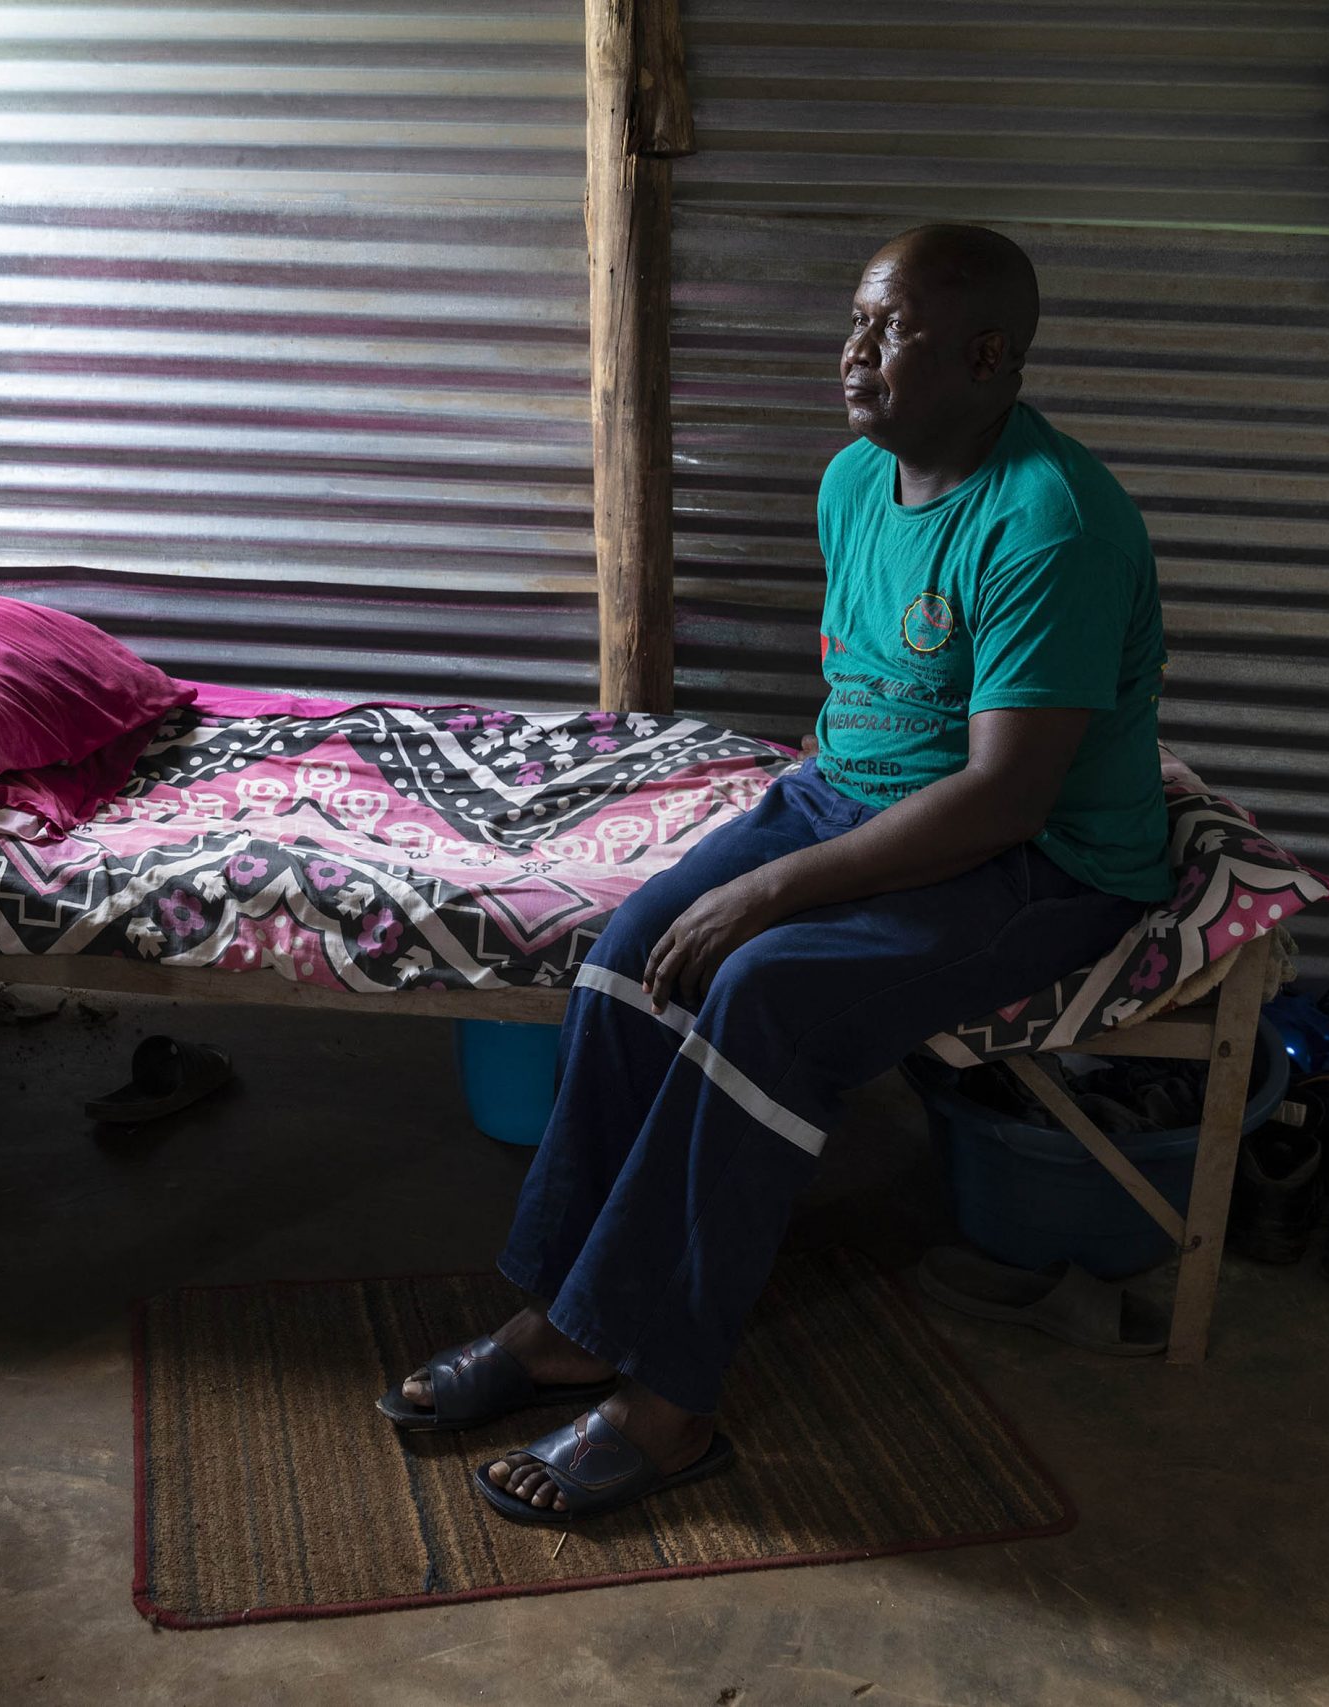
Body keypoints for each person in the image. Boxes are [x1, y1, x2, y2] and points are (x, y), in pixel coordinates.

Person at [375, 224, 1171, 1525]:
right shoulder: (857, 479)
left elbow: (1006, 794)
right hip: (843, 795)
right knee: (633, 954)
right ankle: (572, 1321)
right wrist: (776, 849)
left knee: (766, 992)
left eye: (890, 329)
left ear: (984, 356)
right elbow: (870, 707)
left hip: (1038, 857)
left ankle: (669, 1402)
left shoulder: (1053, 525)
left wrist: (772, 890)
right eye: (855, 321)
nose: (853, 353)